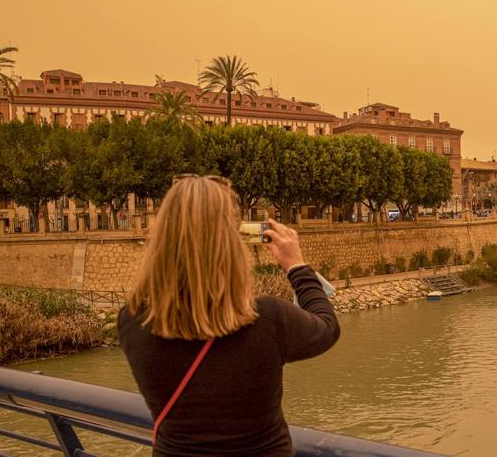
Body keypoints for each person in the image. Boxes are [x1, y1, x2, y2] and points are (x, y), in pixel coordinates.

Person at [118, 175, 340, 456]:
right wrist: (296, 265)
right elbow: (327, 327)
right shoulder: (268, 320)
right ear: (231, 243)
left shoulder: (132, 320)